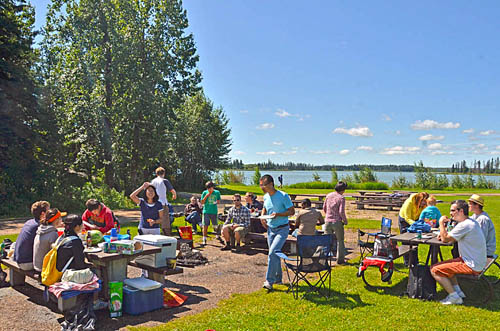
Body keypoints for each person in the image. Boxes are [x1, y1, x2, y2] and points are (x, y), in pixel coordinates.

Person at [430, 200, 486, 305]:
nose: (450, 213)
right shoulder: (470, 222)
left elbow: (446, 239)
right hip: (476, 261)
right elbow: (449, 237)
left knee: (434, 269)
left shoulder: (465, 225)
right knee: (448, 266)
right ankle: (458, 292)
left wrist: (441, 223)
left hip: (472, 264)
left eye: (452, 210)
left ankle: (454, 297)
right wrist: (443, 234)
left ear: (460, 211)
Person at [57, 214, 107, 310]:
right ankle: (95, 302)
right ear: (76, 227)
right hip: (67, 274)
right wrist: (91, 266)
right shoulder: (75, 241)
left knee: (93, 268)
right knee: (97, 272)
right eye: (81, 225)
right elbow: (80, 265)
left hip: (60, 269)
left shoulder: (63, 237)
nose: (83, 226)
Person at [260, 174, 294, 290]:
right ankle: (278, 279)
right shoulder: (265, 197)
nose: (262, 188)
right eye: (260, 186)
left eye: (263, 185)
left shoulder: (283, 196)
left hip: (282, 229)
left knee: (272, 253)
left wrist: (278, 215)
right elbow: (265, 208)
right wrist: (263, 216)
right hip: (271, 229)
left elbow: (292, 211)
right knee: (275, 254)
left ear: (270, 184)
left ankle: (269, 281)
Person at [14, 201, 50, 270]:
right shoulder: (40, 226)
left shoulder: (30, 222)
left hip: (19, 259)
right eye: (48, 211)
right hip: (27, 263)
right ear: (43, 214)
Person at [398, 192, 429, 265]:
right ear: (419, 200)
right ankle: (407, 262)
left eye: (425, 201)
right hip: (404, 220)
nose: (424, 203)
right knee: (406, 241)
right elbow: (407, 218)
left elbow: (423, 216)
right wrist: (416, 225)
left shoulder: (423, 205)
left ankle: (415, 262)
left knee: (415, 240)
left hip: (415, 220)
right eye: (423, 201)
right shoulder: (409, 203)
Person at [323, 181, 348, 264]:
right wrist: (345, 220)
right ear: (343, 189)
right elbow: (341, 212)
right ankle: (340, 260)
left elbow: (324, 208)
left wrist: (328, 215)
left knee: (326, 241)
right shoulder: (341, 198)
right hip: (337, 222)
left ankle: (325, 258)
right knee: (340, 241)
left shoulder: (328, 195)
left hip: (327, 221)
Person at [33, 208, 65, 272]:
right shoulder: (53, 234)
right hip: (44, 268)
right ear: (56, 220)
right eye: (60, 218)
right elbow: (58, 252)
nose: (62, 220)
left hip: (37, 265)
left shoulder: (41, 229)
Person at [150, 167, 177, 236]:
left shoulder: (152, 181)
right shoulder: (164, 180)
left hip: (154, 203)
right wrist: (174, 195)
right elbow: (172, 190)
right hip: (163, 203)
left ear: (156, 174)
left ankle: (153, 234)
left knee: (154, 219)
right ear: (164, 173)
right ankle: (167, 236)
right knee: (165, 221)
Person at [468, 194, 496, 259]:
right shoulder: (475, 215)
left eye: (470, 203)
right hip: (480, 248)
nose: (468, 205)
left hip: (486, 250)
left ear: (477, 205)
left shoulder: (483, 219)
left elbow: (480, 239)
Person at [200, 181, 222, 245]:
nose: (209, 190)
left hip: (214, 211)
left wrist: (215, 202)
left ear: (213, 187)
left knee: (215, 225)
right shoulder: (204, 192)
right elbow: (202, 202)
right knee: (205, 225)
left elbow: (218, 201)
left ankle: (217, 235)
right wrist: (207, 195)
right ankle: (204, 238)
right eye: (208, 188)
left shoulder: (217, 192)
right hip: (206, 211)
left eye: (210, 188)